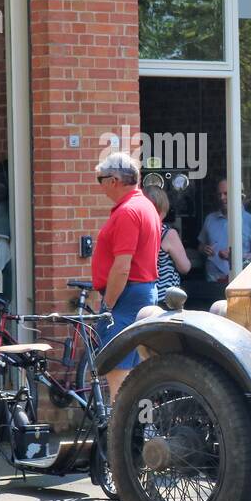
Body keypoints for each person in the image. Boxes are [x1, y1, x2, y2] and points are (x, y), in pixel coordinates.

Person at [91, 153, 160, 401]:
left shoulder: (127, 212)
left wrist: (107, 305)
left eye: (100, 179)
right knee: (138, 376)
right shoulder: (145, 206)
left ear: (114, 180)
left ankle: (120, 436)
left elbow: (122, 267)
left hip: (126, 297)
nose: (99, 186)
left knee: (118, 378)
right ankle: (142, 434)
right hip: (141, 293)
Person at [197, 177, 251, 283]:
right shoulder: (210, 219)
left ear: (237, 194)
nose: (221, 197)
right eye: (219, 194)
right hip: (212, 282)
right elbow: (200, 246)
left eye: (226, 193)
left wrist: (237, 256)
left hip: (240, 281)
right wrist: (204, 249)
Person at [143, 185, 191, 293]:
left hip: (143, 294)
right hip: (166, 297)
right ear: (163, 206)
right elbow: (185, 267)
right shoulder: (167, 234)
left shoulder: (135, 231)